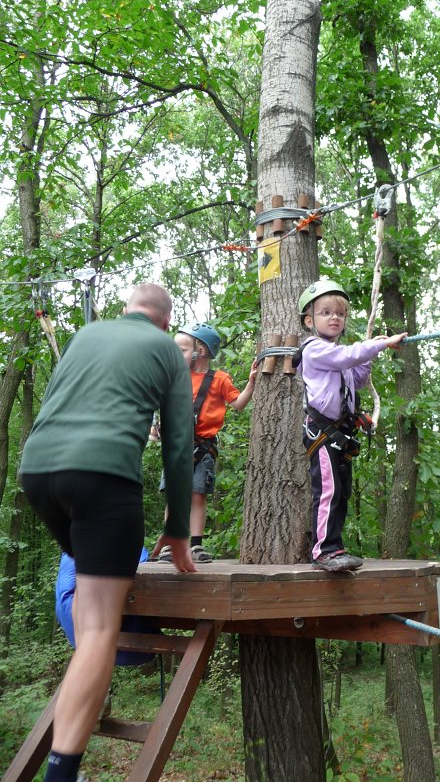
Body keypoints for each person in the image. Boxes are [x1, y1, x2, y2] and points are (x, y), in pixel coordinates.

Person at [19, 282, 196, 782]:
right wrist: (179, 531)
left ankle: (92, 677)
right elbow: (179, 446)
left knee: (92, 601)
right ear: (165, 322)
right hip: (103, 477)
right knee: (100, 629)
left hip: (38, 474)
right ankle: (61, 774)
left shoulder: (85, 335)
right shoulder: (167, 349)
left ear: (127, 311)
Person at [294, 280, 408, 572]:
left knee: (342, 492)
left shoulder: (336, 354)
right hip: (322, 433)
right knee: (328, 490)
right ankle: (323, 551)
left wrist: (370, 357)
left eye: (340, 314)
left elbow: (354, 379)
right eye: (326, 312)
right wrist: (378, 344)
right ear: (310, 320)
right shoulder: (313, 349)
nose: (334, 317)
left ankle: (334, 546)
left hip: (340, 434)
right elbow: (346, 357)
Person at [157, 322, 257, 563]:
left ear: (199, 351)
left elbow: (238, 404)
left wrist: (252, 383)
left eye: (180, 350)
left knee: (197, 495)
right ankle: (171, 543)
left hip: (203, 447)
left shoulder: (219, 379)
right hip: (177, 445)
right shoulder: (174, 377)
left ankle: (195, 545)